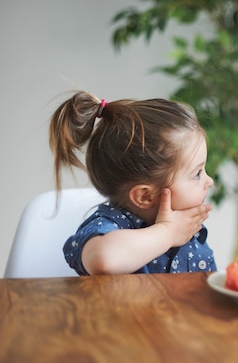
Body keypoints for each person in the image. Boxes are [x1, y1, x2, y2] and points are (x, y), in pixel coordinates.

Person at [49, 91, 217, 275]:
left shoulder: (188, 231)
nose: (209, 181)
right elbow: (103, 258)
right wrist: (167, 233)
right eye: (197, 173)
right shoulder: (110, 226)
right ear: (145, 196)